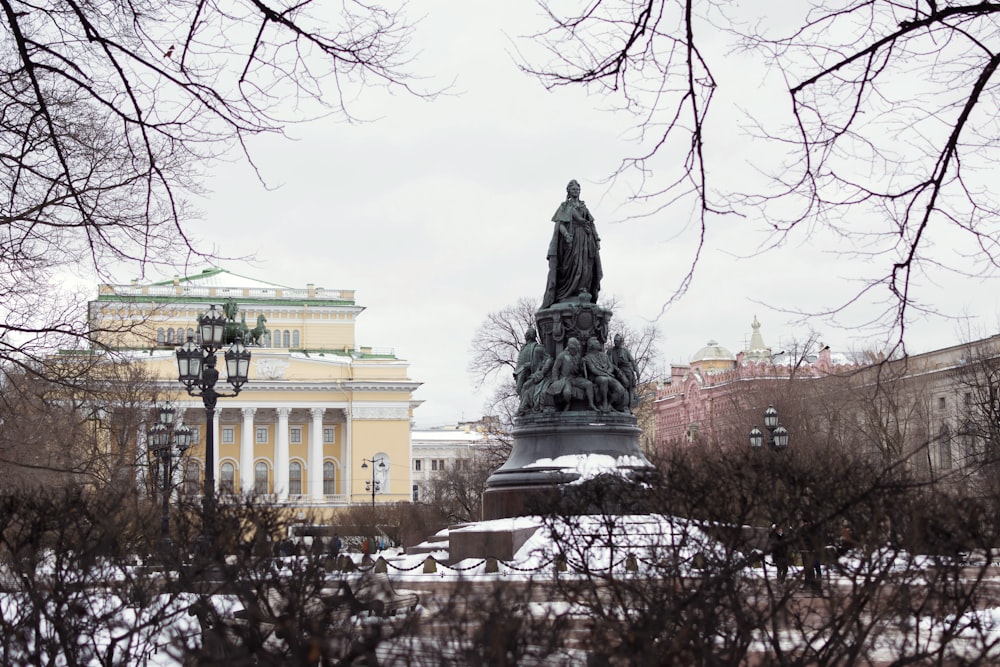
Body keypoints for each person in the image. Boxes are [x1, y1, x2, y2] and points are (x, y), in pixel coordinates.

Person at [542, 179, 603, 308]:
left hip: (586, 239)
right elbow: (560, 225)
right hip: (571, 239)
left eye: (577, 189)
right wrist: (567, 235)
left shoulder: (583, 207)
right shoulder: (565, 207)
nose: (576, 191)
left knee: (586, 265)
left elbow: (591, 223)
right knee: (572, 264)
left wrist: (596, 239)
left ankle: (583, 289)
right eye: (573, 189)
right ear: (568, 191)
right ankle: (566, 293)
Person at [546, 337, 598, 411]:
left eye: (577, 349)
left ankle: (591, 404)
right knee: (567, 392)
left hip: (575, 378)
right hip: (565, 379)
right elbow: (555, 369)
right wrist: (555, 380)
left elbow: (580, 370)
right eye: (574, 349)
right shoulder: (562, 356)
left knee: (589, 384)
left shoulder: (578, 356)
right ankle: (568, 403)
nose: (576, 350)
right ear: (570, 348)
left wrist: (582, 365)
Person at [582, 337, 628, 412]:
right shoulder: (588, 357)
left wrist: (608, 372)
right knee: (604, 380)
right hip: (596, 377)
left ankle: (609, 404)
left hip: (608, 375)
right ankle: (604, 402)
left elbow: (611, 366)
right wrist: (605, 373)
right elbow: (593, 370)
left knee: (621, 389)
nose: (599, 344)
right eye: (597, 343)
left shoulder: (604, 355)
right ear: (592, 345)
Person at [608, 333, 639, 412]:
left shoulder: (625, 350)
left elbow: (632, 361)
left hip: (628, 371)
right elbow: (609, 363)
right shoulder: (611, 351)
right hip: (617, 372)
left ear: (621, 341)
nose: (616, 342)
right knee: (622, 386)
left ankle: (630, 407)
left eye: (617, 341)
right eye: (615, 341)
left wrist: (637, 371)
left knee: (630, 389)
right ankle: (620, 405)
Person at [514, 328, 541, 398]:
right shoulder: (524, 347)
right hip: (519, 371)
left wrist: (531, 365)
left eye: (527, 333)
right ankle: (525, 404)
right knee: (520, 390)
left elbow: (541, 362)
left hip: (527, 370)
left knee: (520, 389)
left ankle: (526, 405)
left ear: (530, 335)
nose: (525, 335)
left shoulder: (535, 347)